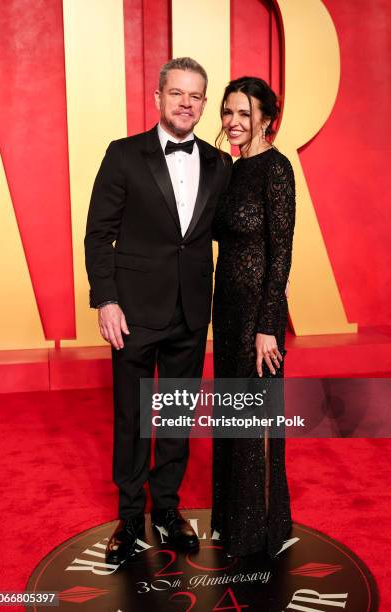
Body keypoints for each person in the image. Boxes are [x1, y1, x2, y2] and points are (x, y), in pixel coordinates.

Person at [84, 57, 232, 568]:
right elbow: (98, 233)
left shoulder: (219, 163)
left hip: (191, 312)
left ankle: (167, 510)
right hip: (133, 311)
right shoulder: (124, 155)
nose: (186, 103)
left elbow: (228, 235)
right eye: (177, 94)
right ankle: (129, 516)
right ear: (158, 98)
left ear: (204, 104)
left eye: (195, 96)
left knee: (174, 415)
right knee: (133, 418)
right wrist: (106, 299)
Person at [211, 76, 295, 558]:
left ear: (266, 118)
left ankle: (260, 527)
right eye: (228, 112)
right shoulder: (230, 169)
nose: (234, 122)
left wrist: (268, 326)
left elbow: (281, 253)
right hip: (227, 308)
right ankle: (229, 519)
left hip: (258, 315)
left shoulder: (275, 170)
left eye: (244, 113)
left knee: (255, 414)